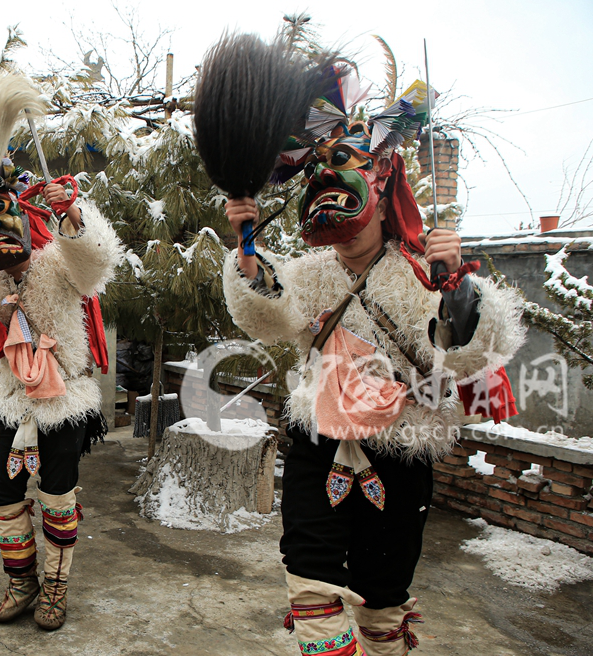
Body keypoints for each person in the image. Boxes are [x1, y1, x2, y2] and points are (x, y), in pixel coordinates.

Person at [222, 72, 526, 655]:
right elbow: (267, 312)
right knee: (309, 578)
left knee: (381, 595)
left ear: (383, 193)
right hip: (319, 442)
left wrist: (458, 289)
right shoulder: (309, 274)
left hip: (400, 449)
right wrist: (248, 249)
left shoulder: (421, 273)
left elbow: (464, 357)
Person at [0, 160, 122, 630]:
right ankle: (22, 583)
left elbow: (97, 262)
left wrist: (72, 212)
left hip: (65, 400)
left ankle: (55, 587)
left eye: (3, 214)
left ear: (23, 216)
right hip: (15, 402)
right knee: (3, 493)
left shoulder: (57, 263)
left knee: (57, 495)